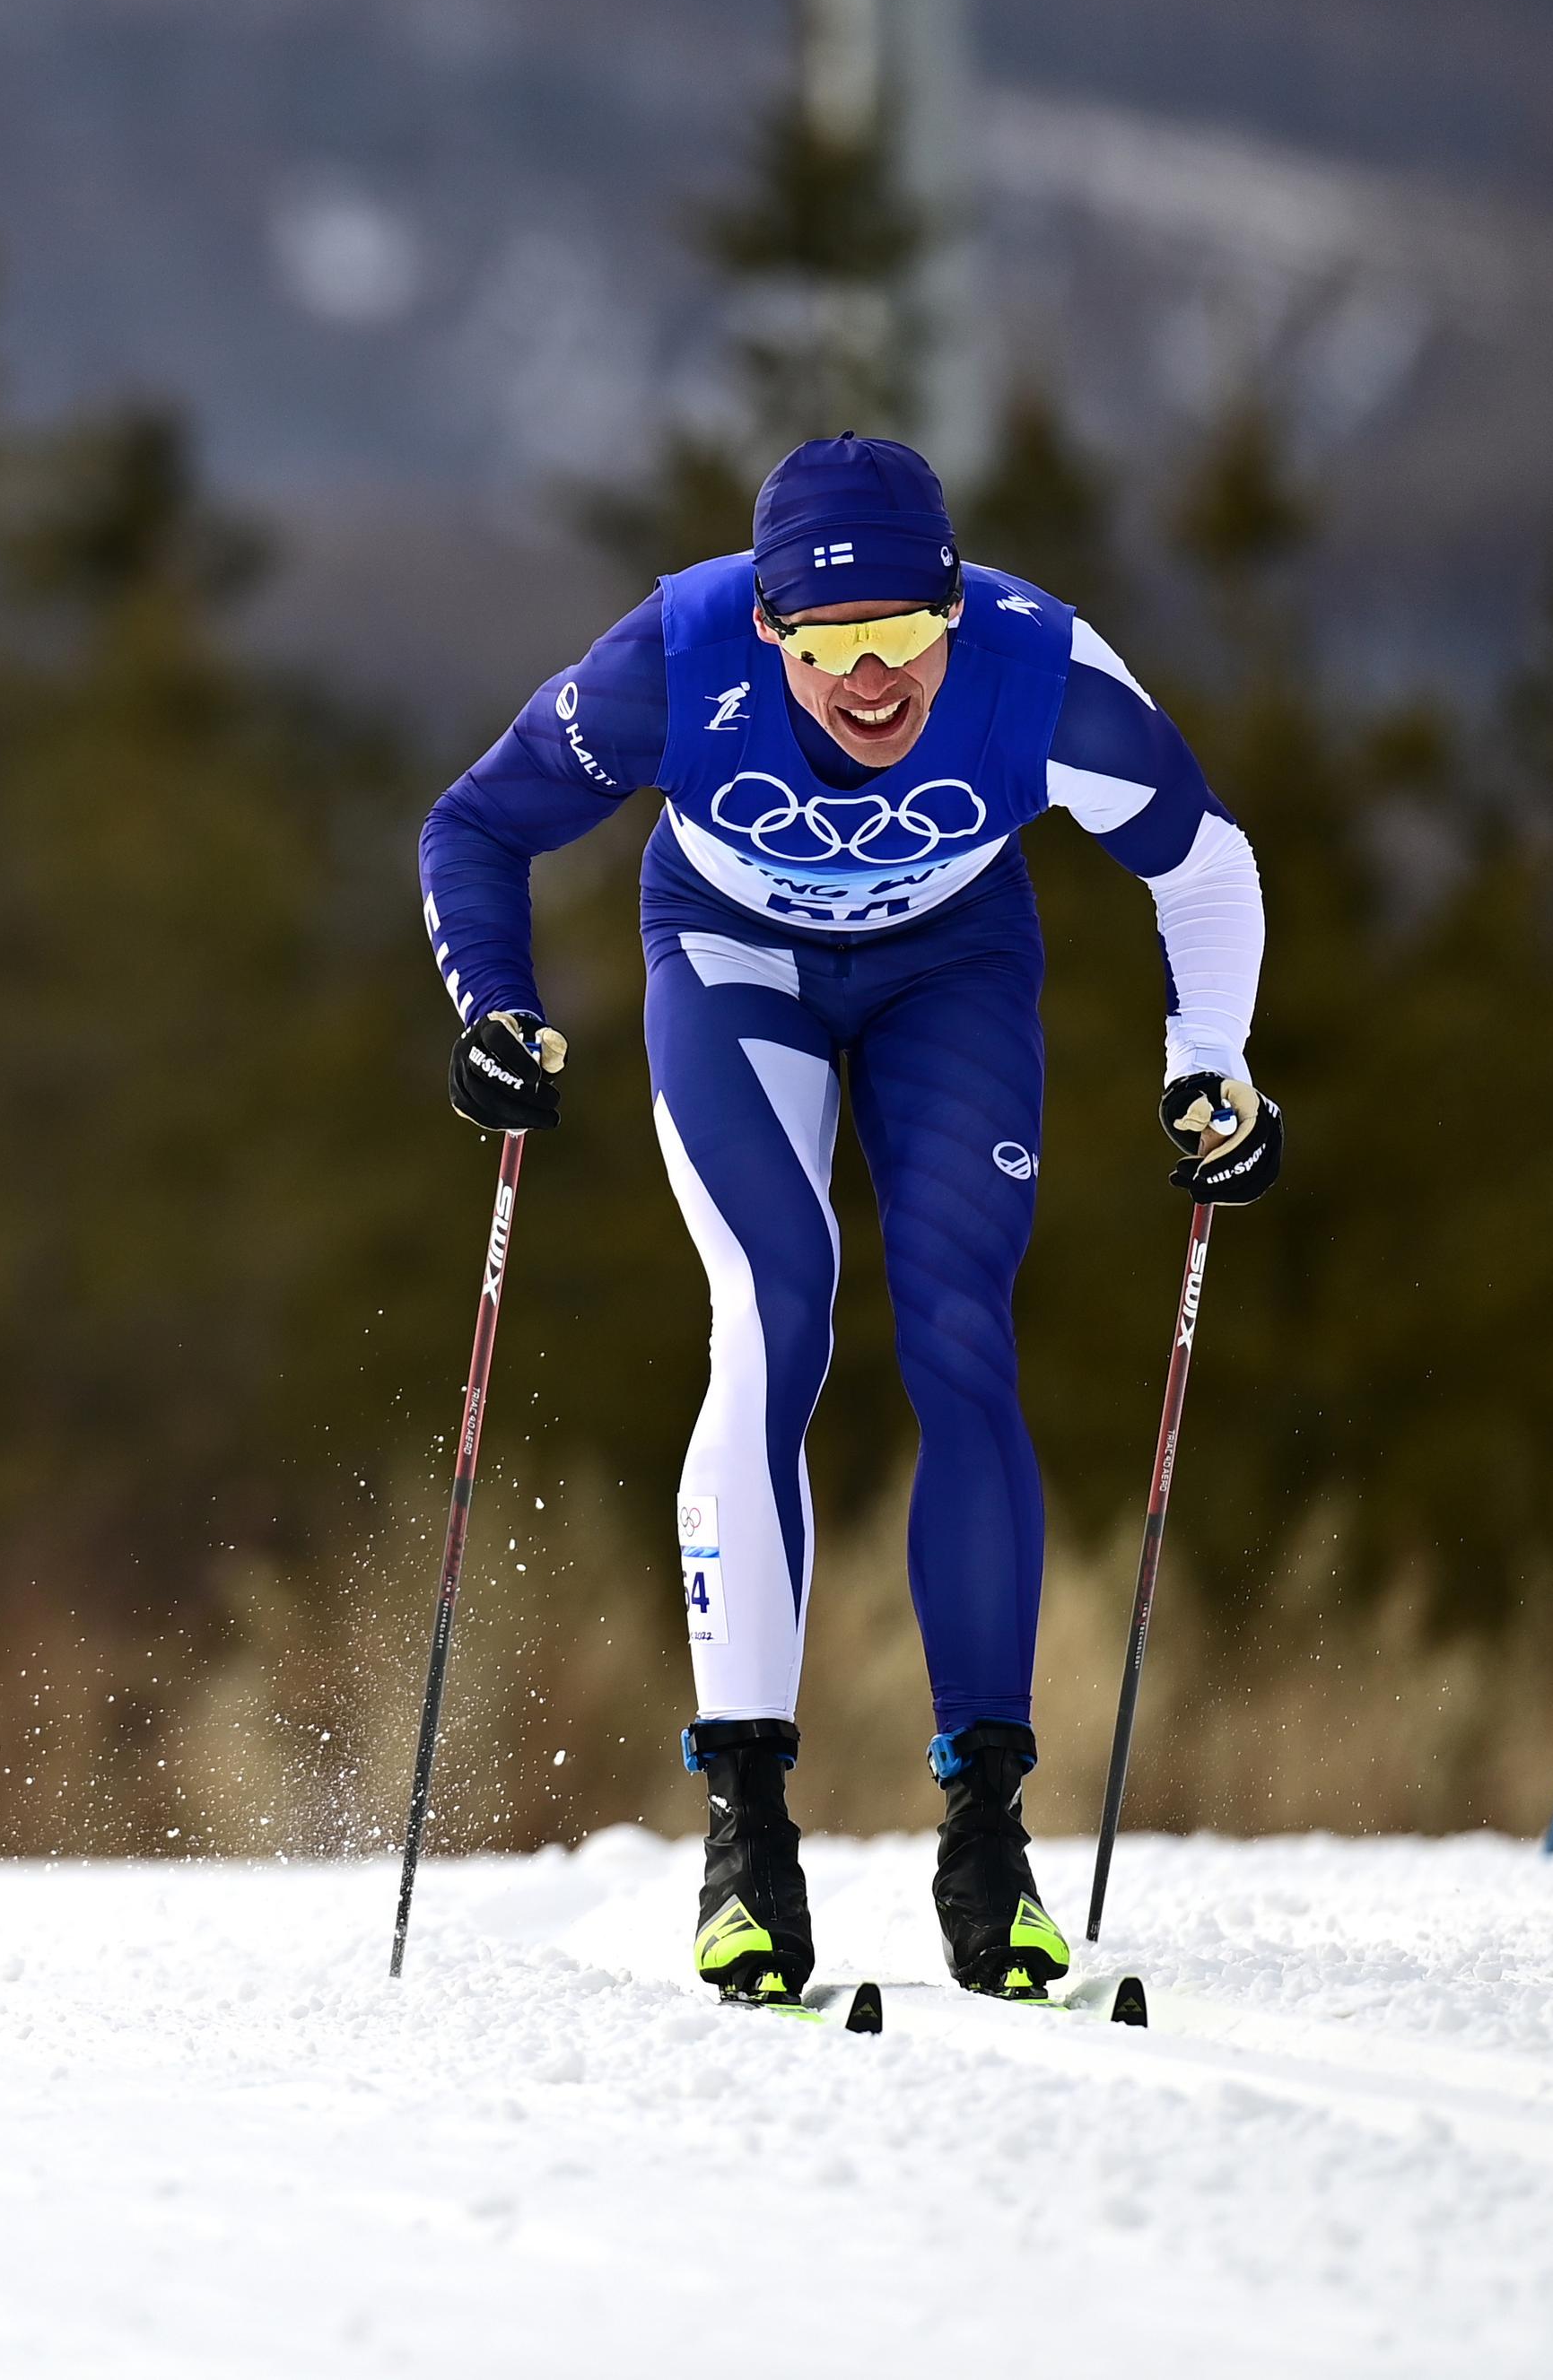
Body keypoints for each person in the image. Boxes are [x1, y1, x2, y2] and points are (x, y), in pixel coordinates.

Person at [418, 435, 1280, 2008]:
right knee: (778, 1307)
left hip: (953, 969)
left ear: (958, 615)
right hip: (731, 960)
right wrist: (495, 1009)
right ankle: (746, 1838)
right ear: (769, 630)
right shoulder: (672, 661)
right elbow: (475, 828)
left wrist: (1207, 1065)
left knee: (962, 1335)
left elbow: (1203, 863)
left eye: (902, 642)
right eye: (828, 648)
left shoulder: (1043, 672)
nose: (871, 683)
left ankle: (988, 1842)